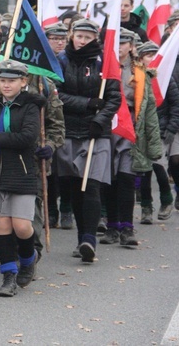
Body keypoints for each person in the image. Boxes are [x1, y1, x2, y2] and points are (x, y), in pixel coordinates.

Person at [0, 60, 46, 297]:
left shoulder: (31, 106)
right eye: (3, 80)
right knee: (2, 227)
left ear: (23, 82)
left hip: (21, 173)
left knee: (22, 226)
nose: (6, 85)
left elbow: (28, 138)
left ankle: (28, 258)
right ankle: (8, 276)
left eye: (11, 81)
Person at [54, 19, 121, 263]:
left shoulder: (104, 62)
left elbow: (114, 97)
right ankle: (81, 236)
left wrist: (99, 120)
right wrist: (87, 104)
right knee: (74, 188)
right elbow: (56, 94)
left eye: (88, 37)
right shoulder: (61, 61)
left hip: (96, 133)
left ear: (96, 39)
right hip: (69, 131)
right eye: (79, 36)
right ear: (72, 35)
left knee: (91, 185)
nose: (82, 41)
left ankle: (89, 239)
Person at [101, 30, 161, 245]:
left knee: (126, 177)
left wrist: (154, 142)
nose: (119, 46)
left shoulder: (139, 71)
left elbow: (149, 107)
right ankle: (112, 226)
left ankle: (127, 227)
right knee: (109, 180)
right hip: (105, 129)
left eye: (124, 42)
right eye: (115, 41)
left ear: (131, 45)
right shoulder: (101, 66)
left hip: (130, 130)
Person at [136, 41, 177, 222]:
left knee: (158, 166)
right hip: (140, 131)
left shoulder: (167, 78)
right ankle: (146, 207)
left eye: (155, 55)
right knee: (144, 170)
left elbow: (176, 106)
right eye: (148, 55)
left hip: (160, 129)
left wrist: (170, 128)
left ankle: (166, 199)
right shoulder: (136, 78)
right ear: (141, 59)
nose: (152, 59)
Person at [43, 22, 72, 230]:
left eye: (62, 38)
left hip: (69, 119)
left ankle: (67, 210)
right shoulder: (42, 61)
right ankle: (51, 210)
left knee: (66, 170)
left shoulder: (69, 60)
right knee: (49, 170)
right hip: (49, 119)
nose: (59, 42)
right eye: (54, 38)